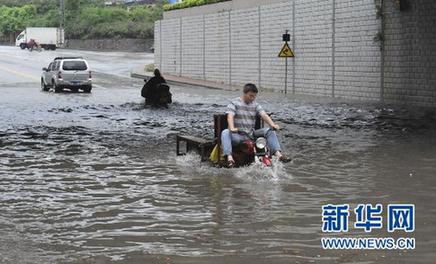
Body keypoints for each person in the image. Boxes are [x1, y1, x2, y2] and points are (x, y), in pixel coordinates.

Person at [221, 83, 291, 167]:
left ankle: (278, 155)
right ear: (245, 93)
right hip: (238, 135)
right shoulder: (234, 103)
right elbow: (230, 116)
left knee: (269, 130)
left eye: (254, 96)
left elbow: (264, 115)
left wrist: (272, 124)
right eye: (250, 96)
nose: (252, 98)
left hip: (251, 134)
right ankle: (229, 158)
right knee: (225, 132)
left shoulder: (255, 104)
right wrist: (232, 128)